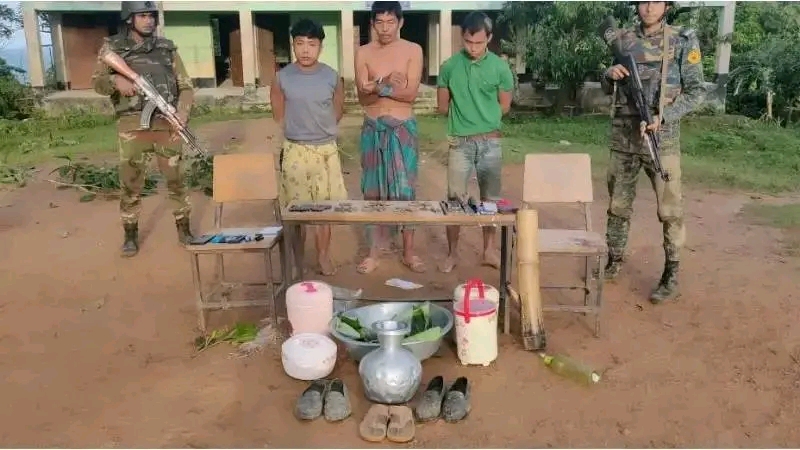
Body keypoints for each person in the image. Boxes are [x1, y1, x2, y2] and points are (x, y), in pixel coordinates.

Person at [600, 0, 705, 303]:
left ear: (667, 6)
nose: (649, 8)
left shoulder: (683, 39)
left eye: (656, 2)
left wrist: (664, 117)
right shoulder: (622, 39)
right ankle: (613, 260)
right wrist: (609, 74)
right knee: (618, 206)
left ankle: (671, 274)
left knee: (670, 210)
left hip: (663, 140)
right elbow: (607, 87)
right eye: (643, 2)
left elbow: (696, 92)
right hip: (624, 139)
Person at [91, 0, 195, 258]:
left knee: (176, 179)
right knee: (131, 182)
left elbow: (186, 86)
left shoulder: (166, 48)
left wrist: (182, 112)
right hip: (131, 127)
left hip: (166, 124)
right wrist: (115, 80)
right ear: (130, 18)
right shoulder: (112, 47)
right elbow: (97, 83)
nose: (149, 21)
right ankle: (130, 234)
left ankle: (184, 229)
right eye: (143, 16)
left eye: (151, 16)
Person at [436, 12, 515, 273]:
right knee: (454, 200)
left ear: (489, 38)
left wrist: (483, 120)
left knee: (490, 200)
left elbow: (504, 106)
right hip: (460, 143)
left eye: (479, 43)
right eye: (468, 42)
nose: (473, 48)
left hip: (491, 143)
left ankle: (488, 251)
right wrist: (465, 122)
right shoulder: (449, 66)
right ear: (462, 37)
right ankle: (452, 253)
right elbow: (442, 106)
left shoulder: (500, 68)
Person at [270, 19, 347, 276]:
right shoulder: (282, 78)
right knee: (296, 211)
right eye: (300, 43)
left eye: (311, 44)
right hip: (295, 150)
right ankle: (297, 261)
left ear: (320, 47)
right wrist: (299, 132)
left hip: (326, 151)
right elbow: (278, 113)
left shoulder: (332, 77)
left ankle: (323, 256)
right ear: (293, 45)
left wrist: (320, 132)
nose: (305, 50)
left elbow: (338, 110)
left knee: (325, 210)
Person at [354, 1, 425, 274]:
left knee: (405, 191)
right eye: (380, 22)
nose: (385, 28)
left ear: (400, 22)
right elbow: (363, 98)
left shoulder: (413, 50)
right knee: (372, 191)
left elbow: (410, 94)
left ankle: (409, 252)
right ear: (372, 23)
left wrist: (376, 86)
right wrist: (385, 83)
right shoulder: (363, 52)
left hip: (402, 129)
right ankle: (374, 252)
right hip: (372, 128)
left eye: (390, 22)